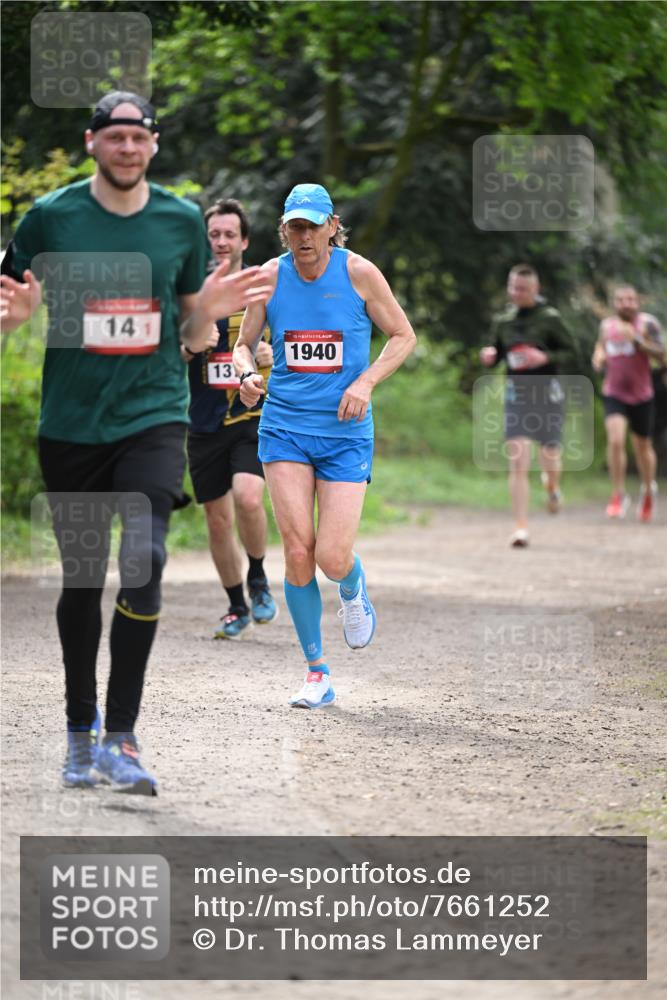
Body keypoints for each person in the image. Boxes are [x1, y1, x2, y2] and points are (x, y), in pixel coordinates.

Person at [0, 91, 270, 794]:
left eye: (139, 137)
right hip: (71, 423)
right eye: (114, 136)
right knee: (83, 580)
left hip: (153, 414)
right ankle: (77, 732)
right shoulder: (53, 216)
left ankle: (122, 739)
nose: (127, 148)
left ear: (153, 146)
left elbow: (189, 332)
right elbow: (6, 300)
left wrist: (203, 316)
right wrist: (15, 317)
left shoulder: (180, 221)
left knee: (145, 556)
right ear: (92, 142)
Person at [232, 183, 416, 709]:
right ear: (284, 230)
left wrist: (366, 382)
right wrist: (246, 374)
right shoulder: (269, 277)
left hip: (344, 433)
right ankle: (317, 672)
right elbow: (243, 344)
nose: (304, 236)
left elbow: (403, 335)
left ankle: (353, 588)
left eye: (314, 226)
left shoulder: (359, 272)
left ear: (333, 226)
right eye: (296, 227)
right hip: (284, 426)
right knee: (296, 551)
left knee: (331, 557)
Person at [184, 198, 277, 638]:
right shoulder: (191, 289)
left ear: (244, 240)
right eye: (214, 235)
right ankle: (236, 604)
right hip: (202, 419)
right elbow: (172, 350)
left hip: (251, 412)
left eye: (228, 234)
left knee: (248, 497)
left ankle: (258, 574)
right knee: (217, 519)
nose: (221, 242)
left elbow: (291, 341)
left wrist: (270, 354)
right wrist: (190, 344)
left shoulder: (265, 286)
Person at [480, 264, 575, 548]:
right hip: (517, 396)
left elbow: (573, 353)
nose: (516, 293)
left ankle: (552, 486)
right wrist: (489, 355)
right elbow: (496, 353)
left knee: (549, 456)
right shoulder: (503, 321)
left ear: (536, 290)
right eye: (513, 287)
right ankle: (521, 527)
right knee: (518, 459)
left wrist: (544, 358)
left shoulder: (551, 319)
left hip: (548, 395)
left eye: (523, 289)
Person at [592, 284, 665, 521]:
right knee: (615, 440)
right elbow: (601, 347)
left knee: (642, 446)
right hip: (614, 391)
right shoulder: (607, 326)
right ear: (615, 303)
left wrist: (636, 341)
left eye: (630, 299)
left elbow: (662, 354)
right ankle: (618, 494)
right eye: (621, 300)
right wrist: (599, 358)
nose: (626, 303)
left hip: (642, 394)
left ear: (637, 302)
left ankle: (647, 490)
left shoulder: (648, 324)